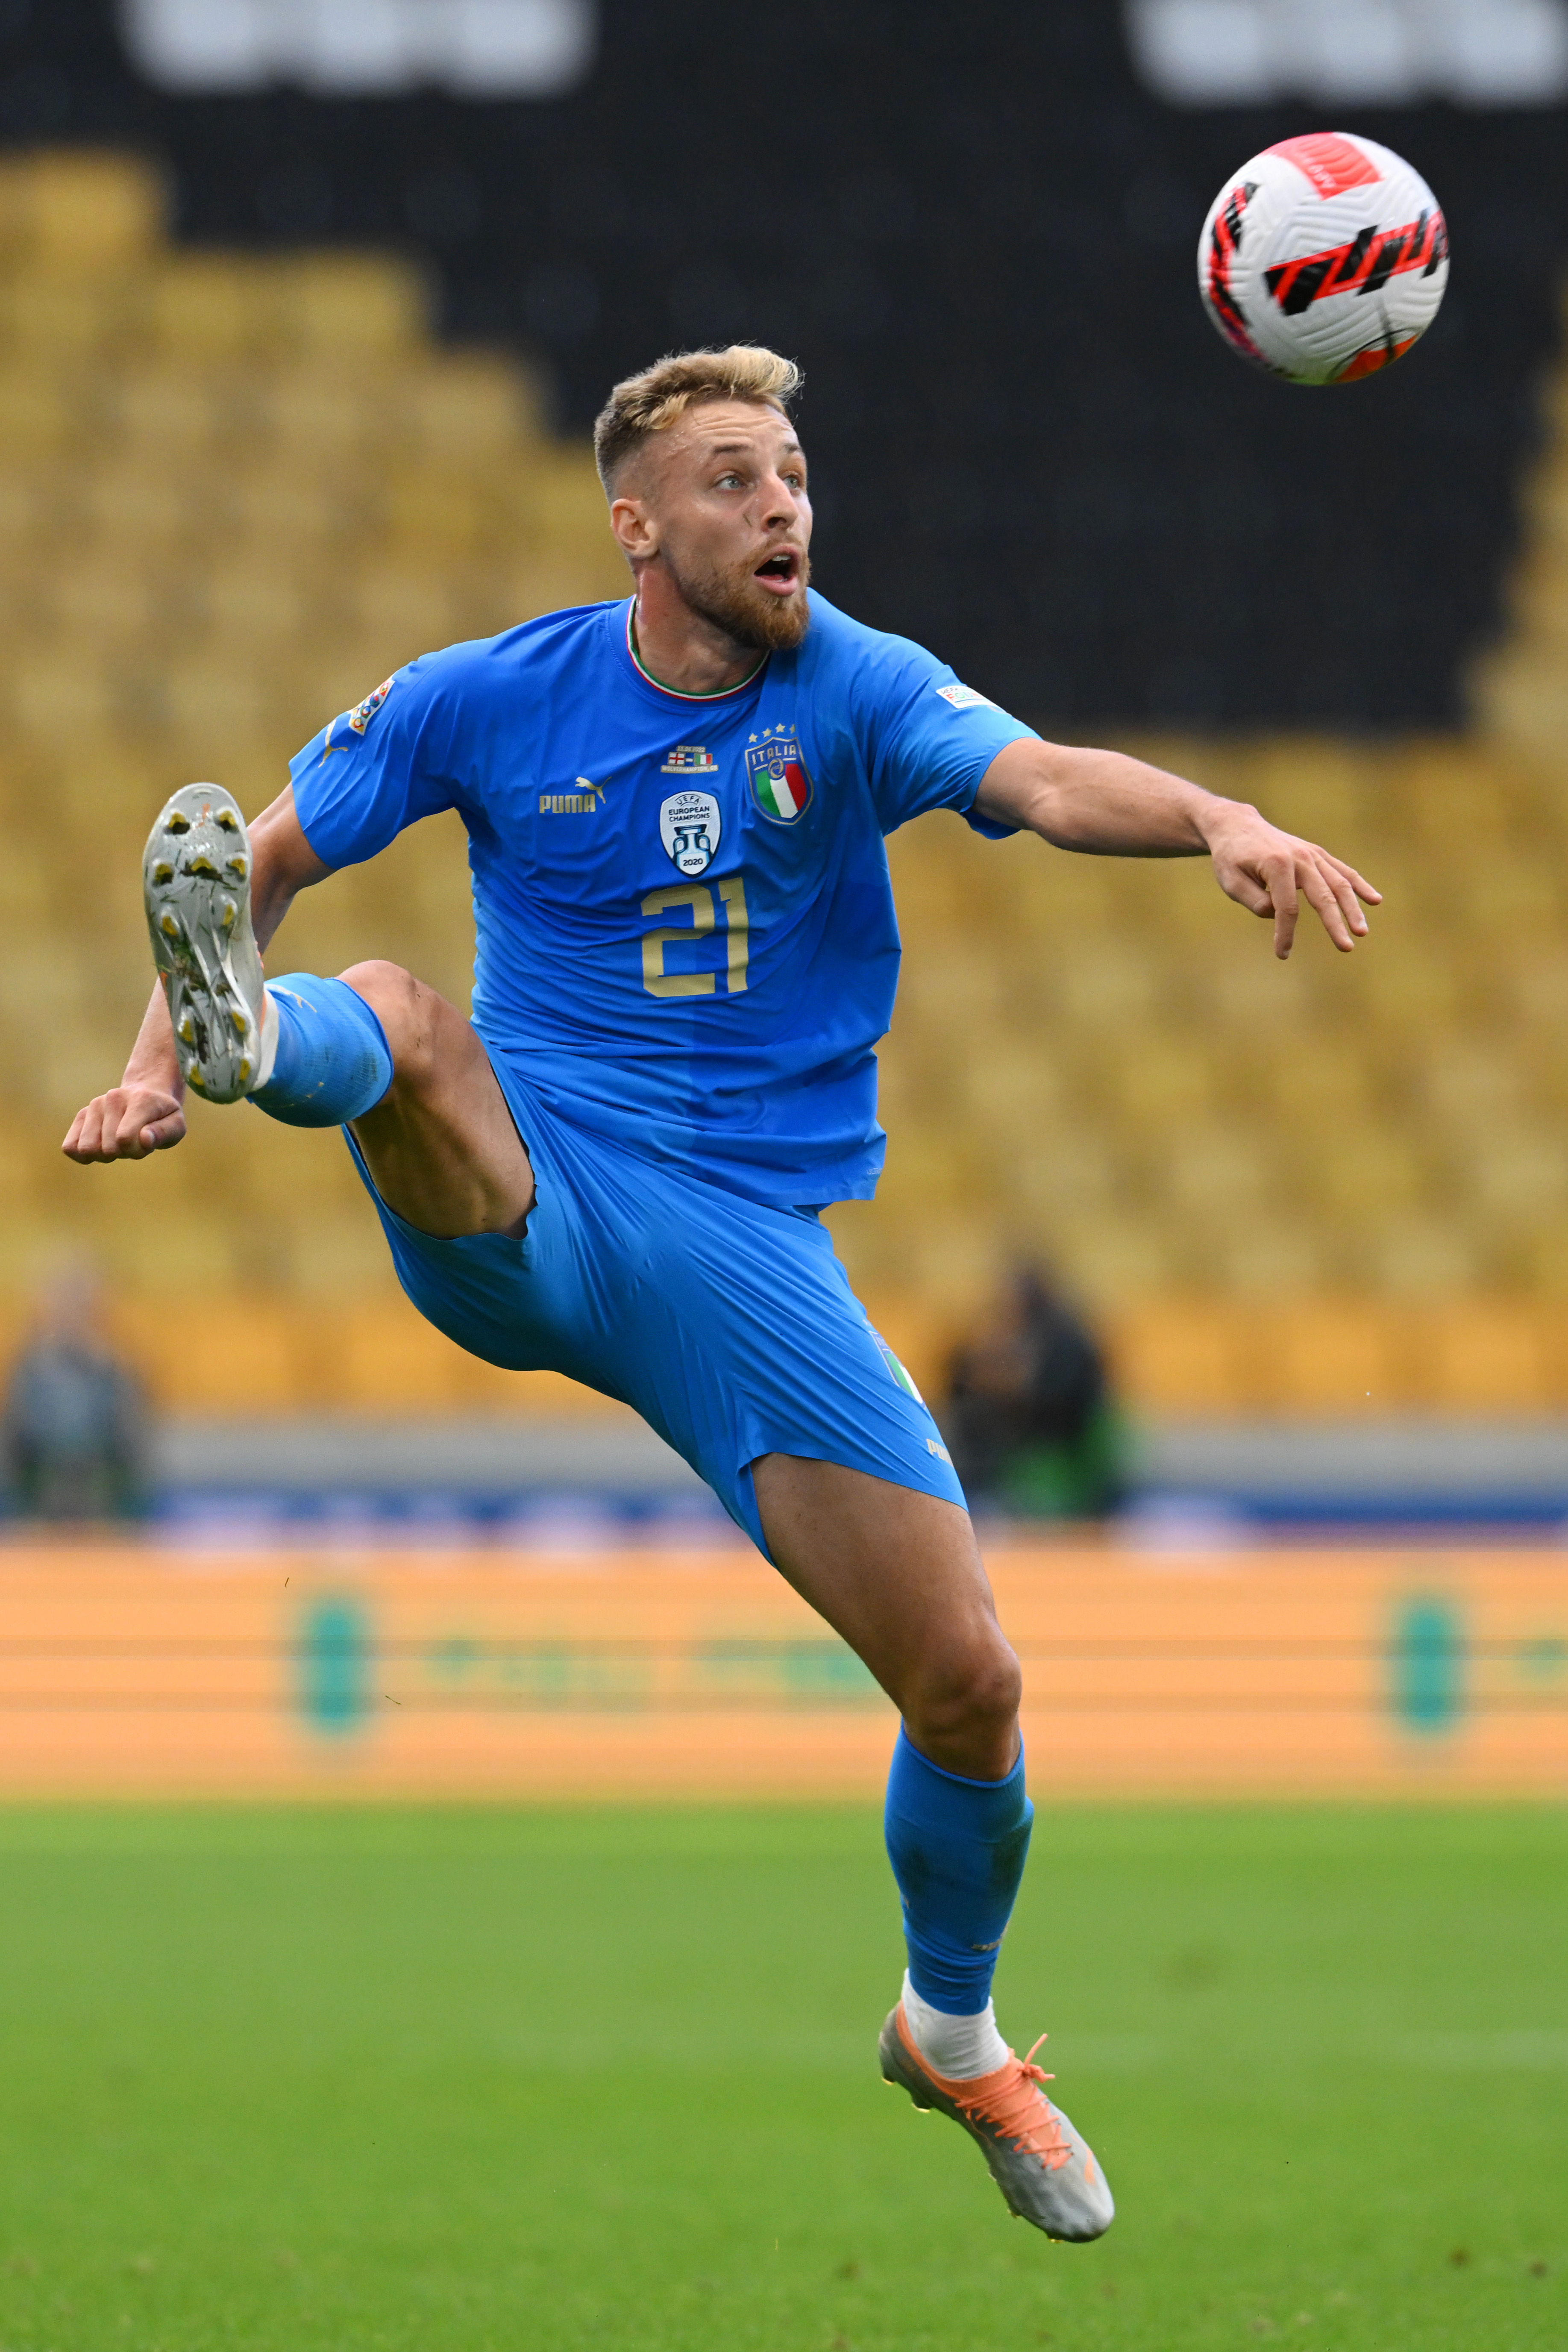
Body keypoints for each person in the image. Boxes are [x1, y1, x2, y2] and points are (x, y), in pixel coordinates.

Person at [63, 345, 1378, 2240]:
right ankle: (262, 1046)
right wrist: (164, 1065)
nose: (782, 509)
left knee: (969, 1683)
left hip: (746, 1244)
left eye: (792, 476)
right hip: (534, 1181)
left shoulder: (853, 683)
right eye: (735, 479)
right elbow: (254, 856)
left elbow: (1041, 777)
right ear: (637, 524)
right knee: (407, 1016)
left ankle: (949, 2029)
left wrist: (1216, 819)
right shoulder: (488, 695)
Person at [943, 1265, 1127, 1520]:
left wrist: (1017, 1389)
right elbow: (958, 1385)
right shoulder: (992, 1338)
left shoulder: (1066, 1343)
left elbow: (1068, 1405)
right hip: (1005, 1454)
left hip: (1060, 1452)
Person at [3, 1267, 146, 1522]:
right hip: (42, 1476)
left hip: (100, 1475)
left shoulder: (114, 1369)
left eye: (80, 1308)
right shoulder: (31, 1368)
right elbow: (16, 1431)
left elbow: (131, 1434)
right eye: (63, 1307)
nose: (72, 1318)